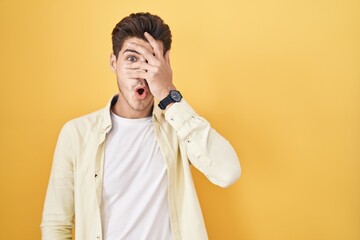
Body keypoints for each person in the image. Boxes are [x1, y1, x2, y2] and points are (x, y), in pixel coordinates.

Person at [40, 12, 241, 240]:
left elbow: (228, 172)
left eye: (152, 60)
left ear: (165, 65)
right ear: (113, 62)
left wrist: (168, 93)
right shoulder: (76, 134)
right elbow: (56, 224)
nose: (141, 73)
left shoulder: (178, 128)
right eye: (132, 59)